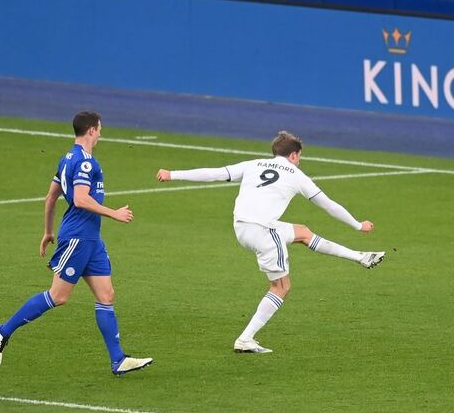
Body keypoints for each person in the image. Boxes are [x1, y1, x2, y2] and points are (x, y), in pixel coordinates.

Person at [156, 131, 385, 354]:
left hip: (242, 227)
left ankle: (360, 257)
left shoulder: (253, 165)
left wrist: (172, 174)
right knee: (281, 287)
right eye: (300, 156)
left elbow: (214, 173)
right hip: (265, 232)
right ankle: (245, 339)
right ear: (294, 155)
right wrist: (358, 225)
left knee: (303, 233)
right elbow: (329, 205)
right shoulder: (297, 176)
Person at [0, 111, 153, 375]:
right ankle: (2, 332)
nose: (100, 134)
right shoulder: (86, 162)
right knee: (59, 296)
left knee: (106, 295)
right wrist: (114, 213)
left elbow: (50, 197)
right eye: (99, 129)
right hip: (77, 238)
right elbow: (79, 199)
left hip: (91, 240)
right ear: (91, 130)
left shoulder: (67, 159)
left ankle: (118, 360)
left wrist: (47, 231)